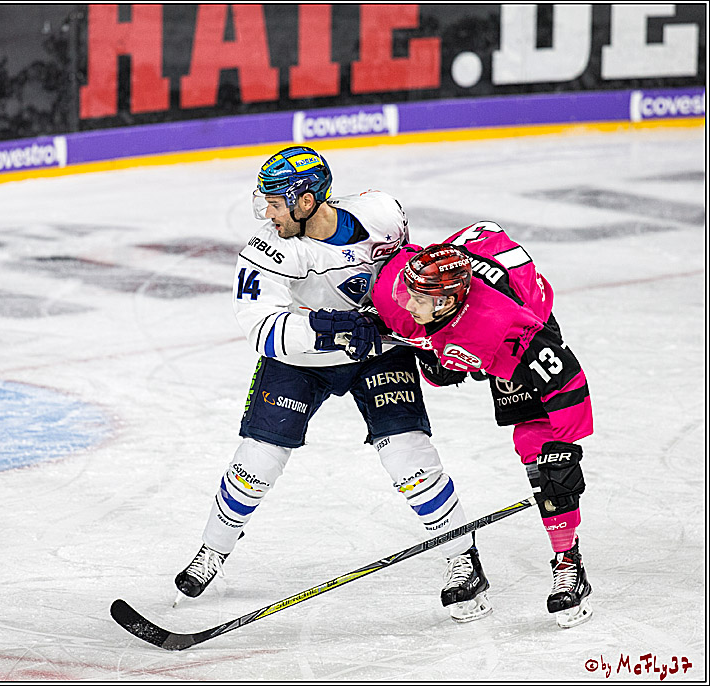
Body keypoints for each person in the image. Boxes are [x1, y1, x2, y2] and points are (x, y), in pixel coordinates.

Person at [174, 146, 492, 623]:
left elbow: (411, 279)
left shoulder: (383, 213)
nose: (267, 214)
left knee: (408, 456)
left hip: (379, 353)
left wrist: (438, 334)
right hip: (301, 358)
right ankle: (214, 549)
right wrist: (331, 328)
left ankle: (463, 561)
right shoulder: (267, 250)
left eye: (276, 203)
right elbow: (262, 329)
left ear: (306, 201)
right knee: (256, 462)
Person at [365, 220, 594, 628]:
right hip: (474, 273)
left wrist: (567, 444)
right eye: (409, 291)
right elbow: (408, 303)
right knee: (443, 364)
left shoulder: (505, 328)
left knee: (542, 454)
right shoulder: (397, 285)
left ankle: (568, 562)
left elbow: (566, 378)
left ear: (448, 302)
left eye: (418, 299)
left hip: (520, 314)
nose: (407, 304)